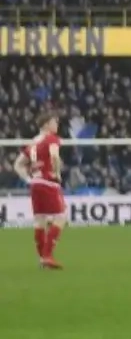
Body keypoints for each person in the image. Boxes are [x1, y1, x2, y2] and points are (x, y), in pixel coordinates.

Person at [14, 113, 67, 269]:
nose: (57, 125)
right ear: (45, 125)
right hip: (48, 182)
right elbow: (54, 156)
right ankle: (47, 256)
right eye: (54, 122)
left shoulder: (33, 142)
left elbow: (18, 164)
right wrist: (57, 173)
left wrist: (28, 179)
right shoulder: (52, 139)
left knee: (40, 220)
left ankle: (42, 259)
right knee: (61, 217)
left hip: (36, 183)